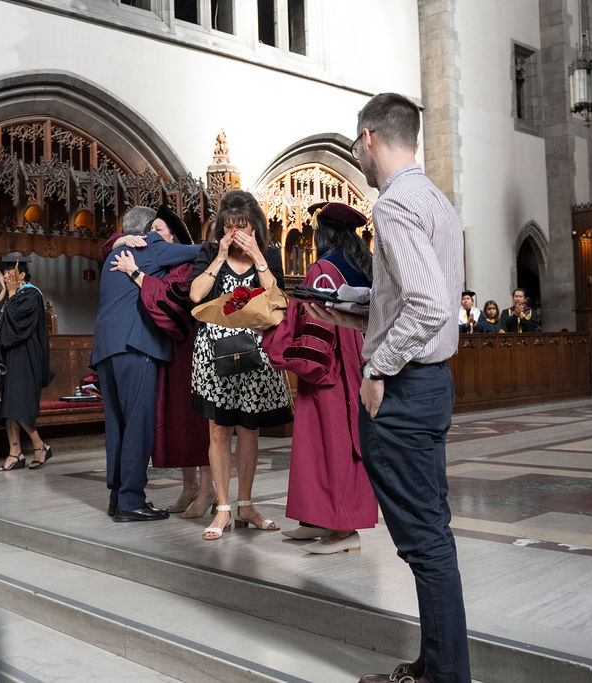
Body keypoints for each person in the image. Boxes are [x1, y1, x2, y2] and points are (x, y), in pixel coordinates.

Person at [306, 93, 470, 683]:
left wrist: (377, 367)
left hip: (402, 391)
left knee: (425, 544)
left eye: (357, 143)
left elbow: (428, 306)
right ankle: (437, 667)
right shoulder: (436, 201)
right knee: (431, 538)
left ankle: (446, 677)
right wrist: (355, 316)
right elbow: (420, 299)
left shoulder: (395, 205)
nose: (358, 152)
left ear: (370, 136)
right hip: (431, 383)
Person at [263, 201, 378, 554]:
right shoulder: (364, 265)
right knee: (324, 444)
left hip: (331, 369)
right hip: (357, 361)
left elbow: (313, 319)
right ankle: (317, 519)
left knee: (332, 444)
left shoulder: (324, 269)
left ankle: (344, 530)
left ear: (323, 234)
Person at [189, 189, 293, 541]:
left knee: (249, 430)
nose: (237, 235)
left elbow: (278, 298)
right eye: (230, 228)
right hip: (215, 351)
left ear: (255, 228)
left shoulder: (270, 255)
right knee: (219, 429)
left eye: (243, 228)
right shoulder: (209, 252)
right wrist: (218, 258)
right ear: (221, 229)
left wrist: (258, 258)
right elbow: (196, 295)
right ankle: (222, 509)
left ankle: (246, 504)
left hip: (254, 351)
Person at [91, 205, 201, 522]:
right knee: (138, 426)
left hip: (107, 349)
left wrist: (115, 240)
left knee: (118, 428)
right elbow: (198, 250)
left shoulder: (115, 254)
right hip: (135, 346)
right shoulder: (151, 245)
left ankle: (117, 496)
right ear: (150, 229)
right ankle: (131, 501)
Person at [0, 257, 54, 471]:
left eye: (10, 275)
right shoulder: (10, 294)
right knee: (7, 406)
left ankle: (39, 445)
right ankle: (15, 453)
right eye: (4, 276)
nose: (6, 278)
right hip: (7, 358)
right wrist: (2, 294)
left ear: (22, 275)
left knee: (17, 405)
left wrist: (11, 294)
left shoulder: (32, 295)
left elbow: (16, 323)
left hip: (25, 358)